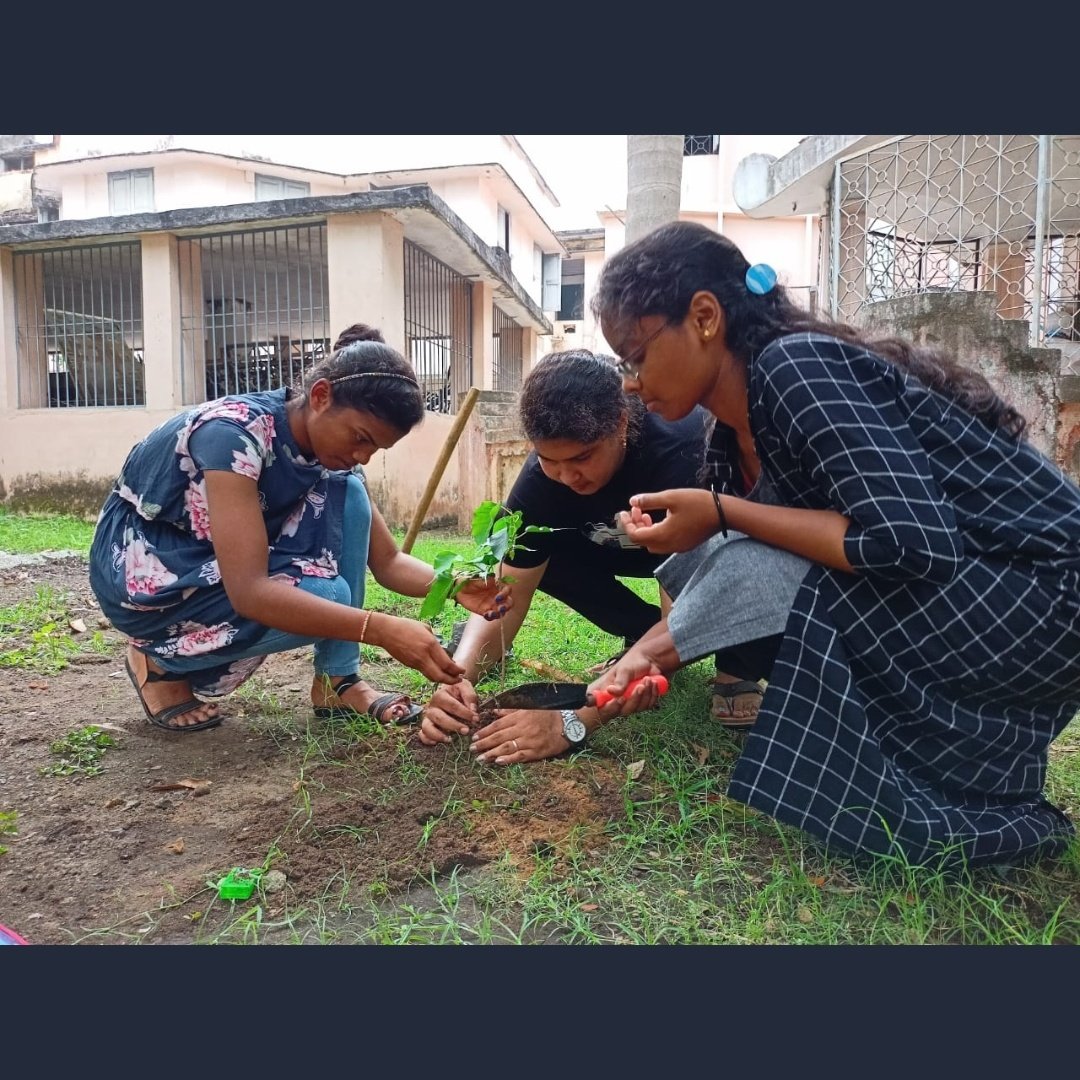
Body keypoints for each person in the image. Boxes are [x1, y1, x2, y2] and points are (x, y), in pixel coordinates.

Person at [584, 219, 1080, 869]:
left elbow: (909, 543)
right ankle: (944, 782)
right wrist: (639, 667)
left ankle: (947, 795)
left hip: (1039, 593)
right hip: (980, 593)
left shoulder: (796, 368)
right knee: (717, 555)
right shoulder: (729, 440)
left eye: (637, 354)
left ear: (703, 317)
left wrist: (720, 512)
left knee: (745, 554)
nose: (630, 380)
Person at [89, 337, 509, 733]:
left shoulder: (330, 457)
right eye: (361, 438)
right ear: (321, 396)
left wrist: (455, 586)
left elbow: (388, 563)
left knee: (350, 493)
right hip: (151, 573)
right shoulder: (233, 437)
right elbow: (250, 592)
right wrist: (379, 629)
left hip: (213, 561)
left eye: (376, 449)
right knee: (330, 596)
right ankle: (158, 660)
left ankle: (338, 682)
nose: (362, 455)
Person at [420, 349, 758, 761]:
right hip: (612, 546)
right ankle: (641, 632)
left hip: (700, 548)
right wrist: (459, 677)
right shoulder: (538, 483)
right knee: (535, 552)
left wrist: (574, 721)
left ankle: (737, 666)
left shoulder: (679, 452)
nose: (566, 476)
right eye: (549, 460)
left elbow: (683, 622)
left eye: (582, 458)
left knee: (726, 557)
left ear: (619, 424)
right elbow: (502, 600)